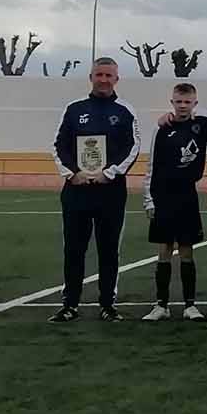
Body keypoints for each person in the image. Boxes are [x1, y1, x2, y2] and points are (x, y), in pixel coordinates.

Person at [48, 57, 142, 323]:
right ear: (91, 77)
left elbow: (132, 148)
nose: (103, 79)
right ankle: (70, 304)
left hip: (110, 192)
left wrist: (108, 173)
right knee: (74, 249)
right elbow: (59, 145)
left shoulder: (125, 111)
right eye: (99, 74)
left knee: (109, 249)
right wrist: (71, 174)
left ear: (116, 79)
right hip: (76, 190)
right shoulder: (74, 109)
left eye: (108, 75)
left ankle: (107, 305)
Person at [141, 82, 207, 322]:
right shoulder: (161, 129)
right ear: (172, 102)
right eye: (179, 101)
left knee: (186, 251)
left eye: (187, 102)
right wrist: (149, 200)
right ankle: (160, 305)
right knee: (164, 250)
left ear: (195, 103)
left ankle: (189, 305)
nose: (183, 105)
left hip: (187, 196)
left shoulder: (201, 126)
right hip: (163, 196)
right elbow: (151, 166)